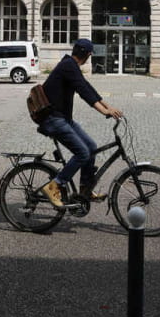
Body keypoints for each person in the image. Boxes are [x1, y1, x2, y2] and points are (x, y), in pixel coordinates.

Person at [37, 38, 122, 208]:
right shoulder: (69, 66)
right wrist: (104, 111)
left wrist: (108, 106)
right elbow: (83, 92)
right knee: (83, 153)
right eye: (90, 54)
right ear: (88, 54)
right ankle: (54, 186)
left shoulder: (71, 65)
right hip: (53, 119)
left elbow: (87, 87)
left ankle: (85, 190)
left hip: (63, 118)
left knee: (91, 146)